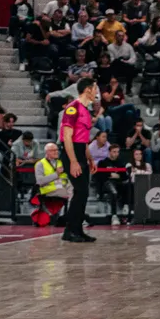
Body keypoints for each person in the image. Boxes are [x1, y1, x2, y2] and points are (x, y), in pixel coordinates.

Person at [58, 77, 99, 242]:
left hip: (81, 151)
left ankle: (77, 229)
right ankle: (69, 230)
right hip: (71, 153)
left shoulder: (86, 110)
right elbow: (67, 138)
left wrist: (90, 159)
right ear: (88, 90)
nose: (96, 92)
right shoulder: (72, 108)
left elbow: (84, 140)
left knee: (83, 193)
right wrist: (73, 161)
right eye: (95, 88)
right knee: (80, 191)